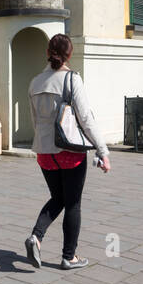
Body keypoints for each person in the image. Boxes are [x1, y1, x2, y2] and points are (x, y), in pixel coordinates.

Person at [24, 33, 109, 271]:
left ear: (48, 53)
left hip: (44, 152)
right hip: (69, 150)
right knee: (72, 203)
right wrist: (102, 149)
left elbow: (34, 120)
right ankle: (68, 256)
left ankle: (36, 238)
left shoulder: (35, 82)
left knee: (58, 198)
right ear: (69, 54)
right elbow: (86, 119)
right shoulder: (72, 79)